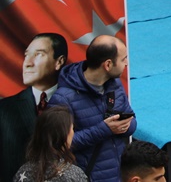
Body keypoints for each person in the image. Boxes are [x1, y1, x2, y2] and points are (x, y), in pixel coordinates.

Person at [49, 36, 135, 182]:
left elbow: (131, 121)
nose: (127, 63)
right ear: (107, 65)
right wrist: (105, 129)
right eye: (123, 59)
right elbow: (59, 145)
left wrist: (126, 125)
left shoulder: (115, 84)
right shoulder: (63, 99)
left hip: (119, 174)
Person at [1, 34, 68, 182]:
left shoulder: (79, 105)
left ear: (59, 62)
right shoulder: (4, 110)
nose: (27, 63)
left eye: (38, 54)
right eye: (26, 55)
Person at [13, 106, 86, 182]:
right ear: (63, 135)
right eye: (72, 128)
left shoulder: (23, 172)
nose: (73, 133)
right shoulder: (74, 175)